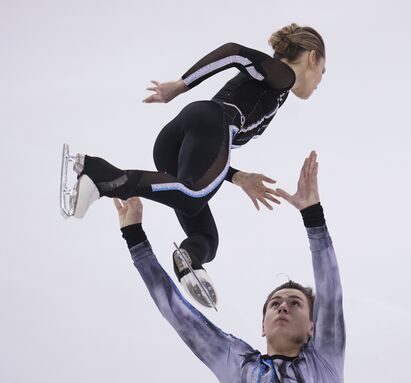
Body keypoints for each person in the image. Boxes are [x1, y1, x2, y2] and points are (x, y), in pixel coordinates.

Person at [68, 23, 326, 306]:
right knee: (193, 197)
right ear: (312, 57)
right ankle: (101, 174)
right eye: (322, 72)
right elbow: (234, 52)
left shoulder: (278, 88)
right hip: (210, 121)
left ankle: (189, 259)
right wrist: (181, 85)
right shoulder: (284, 75)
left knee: (206, 237)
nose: (319, 82)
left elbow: (210, 149)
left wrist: (238, 177)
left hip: (183, 137)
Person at [114, 151, 345, 382]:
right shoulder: (240, 365)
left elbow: (330, 293)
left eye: (295, 304)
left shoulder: (323, 361)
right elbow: (180, 315)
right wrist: (134, 237)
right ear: (263, 326)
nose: (283, 307)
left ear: (312, 328)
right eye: (275, 304)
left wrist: (313, 216)